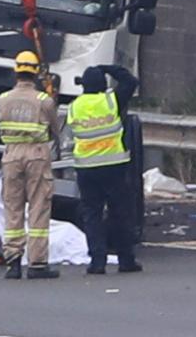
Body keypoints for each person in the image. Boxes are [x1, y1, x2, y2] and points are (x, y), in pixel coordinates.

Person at [68, 64, 142, 275]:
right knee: (120, 213)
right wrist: (110, 69)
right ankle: (126, 260)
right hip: (113, 166)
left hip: (86, 169)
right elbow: (130, 81)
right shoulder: (111, 101)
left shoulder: (75, 106)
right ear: (103, 84)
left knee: (92, 214)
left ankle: (97, 262)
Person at [0, 50, 60, 279]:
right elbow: (55, 129)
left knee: (12, 209)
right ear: (34, 74)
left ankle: (13, 262)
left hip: (11, 156)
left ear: (16, 72)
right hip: (36, 154)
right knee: (38, 207)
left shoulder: (2, 99)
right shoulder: (44, 101)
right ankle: (37, 263)